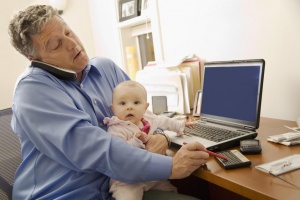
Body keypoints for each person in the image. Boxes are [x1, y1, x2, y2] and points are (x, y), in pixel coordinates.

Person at [8, 4, 209, 200]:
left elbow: (142, 116)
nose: (72, 44)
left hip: (124, 185)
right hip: (66, 194)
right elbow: (93, 150)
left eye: (68, 33)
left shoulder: (106, 68)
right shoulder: (32, 90)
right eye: (56, 45)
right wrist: (171, 167)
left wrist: (162, 136)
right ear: (34, 58)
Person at [104, 80, 194, 200]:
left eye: (136, 102)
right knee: (127, 196)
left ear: (145, 107)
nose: (129, 107)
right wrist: (136, 141)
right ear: (113, 108)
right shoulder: (115, 128)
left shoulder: (149, 118)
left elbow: (164, 121)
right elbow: (119, 153)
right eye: (122, 103)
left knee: (171, 189)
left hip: (151, 176)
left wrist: (180, 126)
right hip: (126, 180)